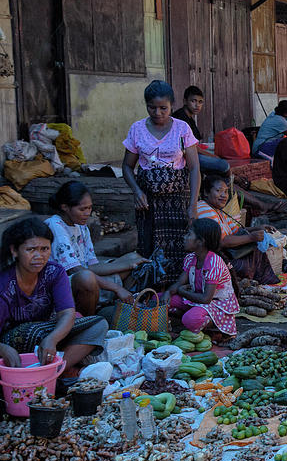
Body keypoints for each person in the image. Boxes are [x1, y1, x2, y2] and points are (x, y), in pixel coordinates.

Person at [0, 218, 108, 376]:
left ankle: (54, 371)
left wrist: (52, 339)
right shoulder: (4, 285)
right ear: (14, 251)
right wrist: (4, 349)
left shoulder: (54, 272)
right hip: (12, 341)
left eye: (44, 249)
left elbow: (67, 313)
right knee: (32, 333)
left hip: (43, 335)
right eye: (31, 250)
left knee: (98, 324)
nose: (39, 256)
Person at [122, 80, 200, 286]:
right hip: (148, 201)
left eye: (163, 108)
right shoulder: (137, 129)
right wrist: (137, 192)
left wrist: (192, 205)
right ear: (146, 105)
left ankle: (176, 290)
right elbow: (127, 167)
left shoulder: (182, 128)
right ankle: (151, 292)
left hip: (177, 200)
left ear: (172, 105)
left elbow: (194, 169)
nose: (157, 112)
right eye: (152, 107)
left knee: (179, 246)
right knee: (149, 244)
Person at [46, 181, 145, 315]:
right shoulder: (55, 225)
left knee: (134, 258)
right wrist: (116, 288)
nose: (87, 213)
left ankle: (118, 307)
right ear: (64, 207)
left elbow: (92, 265)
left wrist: (130, 264)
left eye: (89, 208)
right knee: (86, 278)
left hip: (86, 275)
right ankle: (89, 318)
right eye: (82, 209)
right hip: (64, 285)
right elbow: (76, 270)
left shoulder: (81, 225)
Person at [162, 218, 239, 338]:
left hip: (217, 304)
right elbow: (179, 283)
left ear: (200, 242)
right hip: (196, 300)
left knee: (191, 320)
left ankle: (216, 324)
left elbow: (206, 299)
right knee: (160, 299)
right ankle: (190, 315)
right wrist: (168, 292)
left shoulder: (214, 263)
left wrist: (182, 291)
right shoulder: (191, 258)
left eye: (189, 234)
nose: (184, 237)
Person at [197, 175, 278, 284]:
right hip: (213, 259)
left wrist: (257, 228)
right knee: (246, 262)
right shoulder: (203, 208)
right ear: (206, 192)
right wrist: (251, 237)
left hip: (224, 253)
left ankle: (263, 282)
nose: (224, 195)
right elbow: (222, 241)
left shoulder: (218, 211)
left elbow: (236, 231)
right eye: (219, 191)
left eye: (226, 192)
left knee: (255, 250)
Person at [172, 86, 230, 175]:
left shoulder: (189, 117)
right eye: (193, 101)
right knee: (224, 165)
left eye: (200, 102)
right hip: (183, 156)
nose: (197, 105)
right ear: (185, 101)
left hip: (192, 152)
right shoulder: (180, 118)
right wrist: (213, 156)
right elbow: (191, 147)